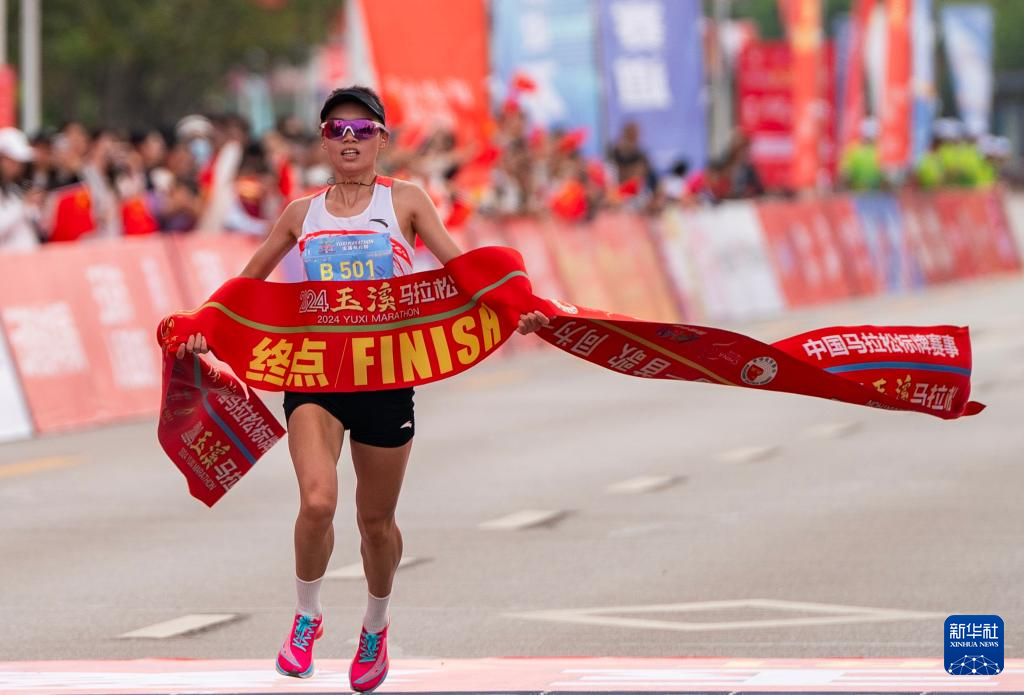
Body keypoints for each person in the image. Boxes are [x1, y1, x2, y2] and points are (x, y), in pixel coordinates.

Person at [174, 86, 548, 692]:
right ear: (324, 142)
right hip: (315, 376)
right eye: (337, 131)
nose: (350, 141)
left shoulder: (406, 201)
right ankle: (306, 616)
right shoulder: (301, 213)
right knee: (317, 502)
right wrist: (203, 325)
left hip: (385, 378)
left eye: (362, 131)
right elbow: (245, 287)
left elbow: (461, 269)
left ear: (381, 140)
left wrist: (512, 308)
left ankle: (375, 626)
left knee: (375, 522)